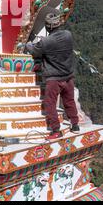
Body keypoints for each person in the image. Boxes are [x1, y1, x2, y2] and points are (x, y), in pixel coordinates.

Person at [25, 10, 80, 140]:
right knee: (69, 101)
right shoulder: (68, 35)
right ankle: (75, 124)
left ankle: (56, 130)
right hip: (68, 76)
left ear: (48, 26)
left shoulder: (46, 42)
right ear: (59, 24)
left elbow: (34, 51)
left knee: (50, 104)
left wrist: (28, 43)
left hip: (54, 79)